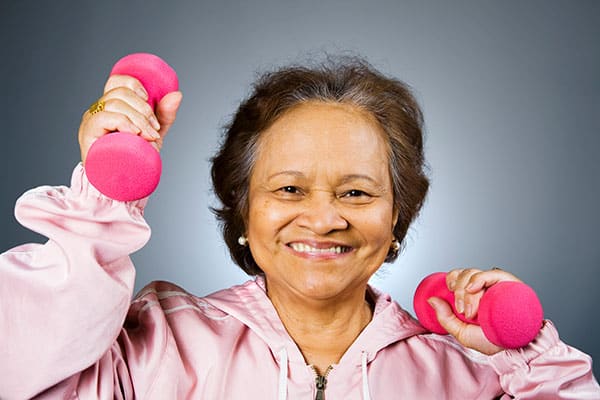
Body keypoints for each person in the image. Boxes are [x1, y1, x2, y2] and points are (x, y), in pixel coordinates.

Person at [1, 56, 599, 400]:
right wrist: (104, 201)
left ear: (397, 217)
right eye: (289, 189)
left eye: (356, 193)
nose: (322, 218)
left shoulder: (470, 376)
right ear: (244, 209)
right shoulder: (152, 348)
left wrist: (526, 359)